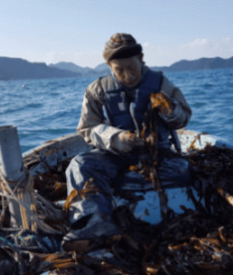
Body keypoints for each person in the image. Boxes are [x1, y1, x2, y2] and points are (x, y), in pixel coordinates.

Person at [62, 33, 192, 252]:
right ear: (108, 65)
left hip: (157, 155)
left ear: (141, 58)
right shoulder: (97, 89)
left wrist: (170, 110)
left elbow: (184, 118)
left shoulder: (161, 84)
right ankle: (94, 222)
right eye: (119, 70)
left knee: (182, 169)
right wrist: (115, 138)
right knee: (80, 165)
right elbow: (86, 128)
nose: (127, 75)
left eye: (132, 67)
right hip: (114, 155)